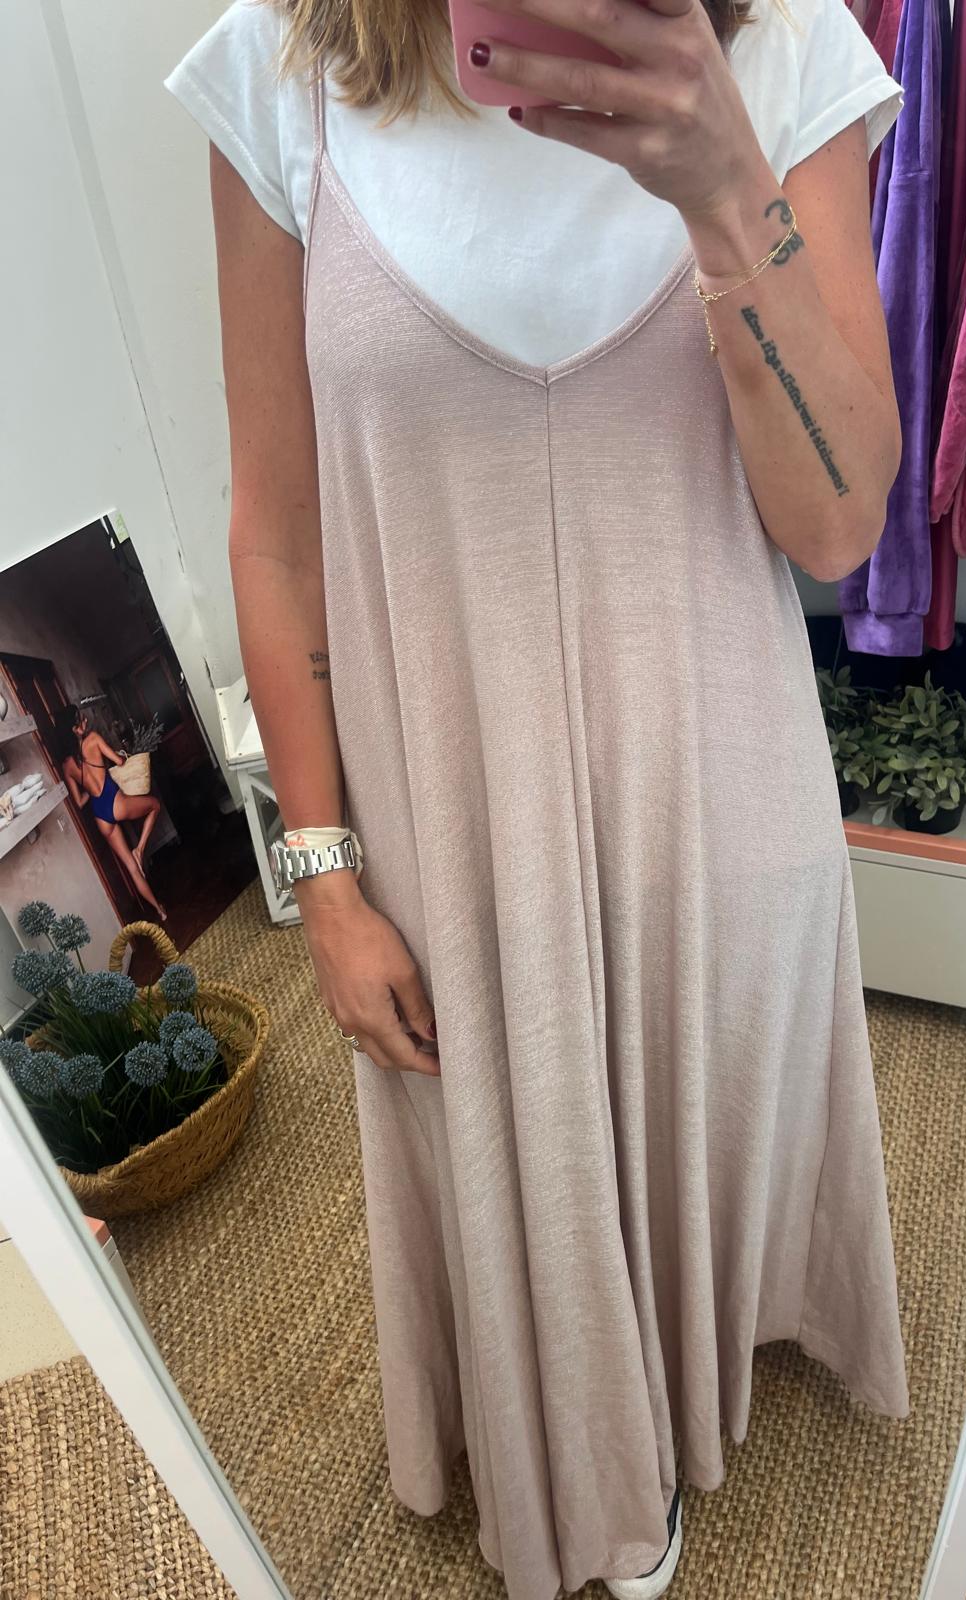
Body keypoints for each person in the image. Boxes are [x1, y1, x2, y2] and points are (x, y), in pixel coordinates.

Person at [165, 0, 911, 1595]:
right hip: (452, 828)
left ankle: (694, 1368)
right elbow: (275, 535)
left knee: (705, 1124)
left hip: (717, 799)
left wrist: (726, 191)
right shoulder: (283, 74)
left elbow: (842, 525)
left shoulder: (782, 54)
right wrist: (325, 877)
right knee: (513, 1161)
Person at [57, 704, 167, 922]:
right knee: (155, 805)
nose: (85, 722)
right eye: (81, 720)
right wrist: (115, 761)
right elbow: (119, 761)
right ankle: (140, 849)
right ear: (74, 729)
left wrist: (91, 788)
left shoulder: (66, 765)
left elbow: (79, 802)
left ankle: (160, 911)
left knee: (131, 869)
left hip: (100, 816)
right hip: (114, 801)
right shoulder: (93, 739)